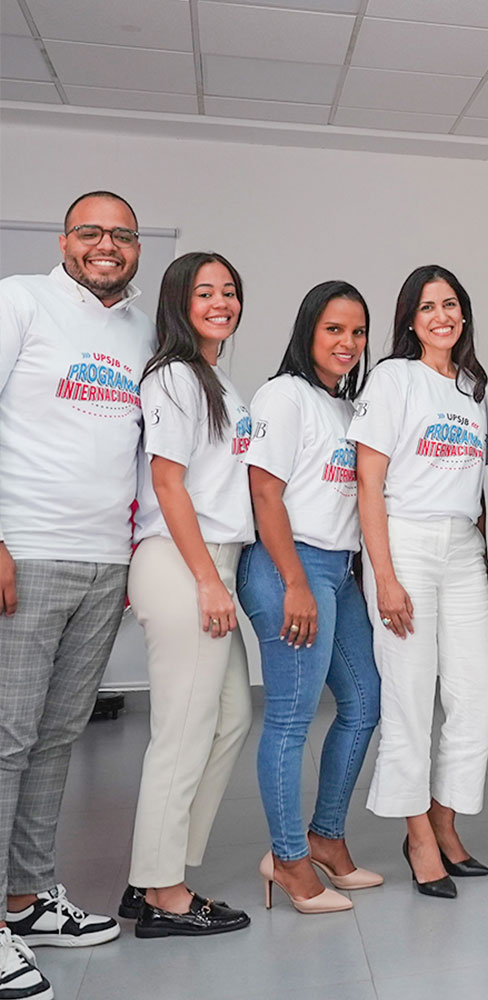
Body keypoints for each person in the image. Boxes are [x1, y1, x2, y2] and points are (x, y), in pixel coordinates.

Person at [0, 191, 149, 996]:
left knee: (57, 738)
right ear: (65, 240)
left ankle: (26, 900)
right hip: (26, 551)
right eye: (91, 231)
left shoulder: (141, 331)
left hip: (104, 561)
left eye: (122, 234)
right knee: (6, 739)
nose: (106, 245)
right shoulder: (19, 301)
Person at [349, 265, 488, 899]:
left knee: (476, 696)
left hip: (462, 549)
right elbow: (369, 481)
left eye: (451, 304)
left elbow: (476, 489)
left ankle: (445, 818)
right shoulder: (393, 378)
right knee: (408, 698)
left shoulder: (472, 388)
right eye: (429, 306)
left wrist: (482, 562)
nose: (442, 316)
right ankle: (418, 837)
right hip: (404, 544)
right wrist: (383, 575)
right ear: (411, 319)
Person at [238, 281, 382, 913]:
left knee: (366, 701)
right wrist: (295, 580)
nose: (348, 343)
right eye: (334, 329)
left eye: (357, 331)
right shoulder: (284, 395)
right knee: (292, 718)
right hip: (288, 565)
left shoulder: (347, 408)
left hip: (339, 571)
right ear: (308, 331)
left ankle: (325, 836)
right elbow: (263, 492)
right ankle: (289, 860)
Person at [122, 252, 255, 936]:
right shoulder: (174, 375)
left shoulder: (216, 379)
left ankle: (158, 869)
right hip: (184, 562)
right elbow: (168, 484)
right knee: (181, 733)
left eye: (229, 291)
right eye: (205, 292)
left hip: (210, 561)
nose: (220, 302)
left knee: (229, 717)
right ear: (179, 301)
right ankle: (163, 893)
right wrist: (207, 579)